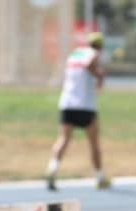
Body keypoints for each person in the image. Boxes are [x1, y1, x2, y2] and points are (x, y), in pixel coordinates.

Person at [46, 31, 110, 191]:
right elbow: (90, 64)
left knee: (63, 138)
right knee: (94, 142)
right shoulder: (94, 54)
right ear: (100, 46)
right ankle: (100, 176)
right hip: (85, 105)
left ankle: (52, 169)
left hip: (67, 103)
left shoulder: (74, 55)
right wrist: (100, 76)